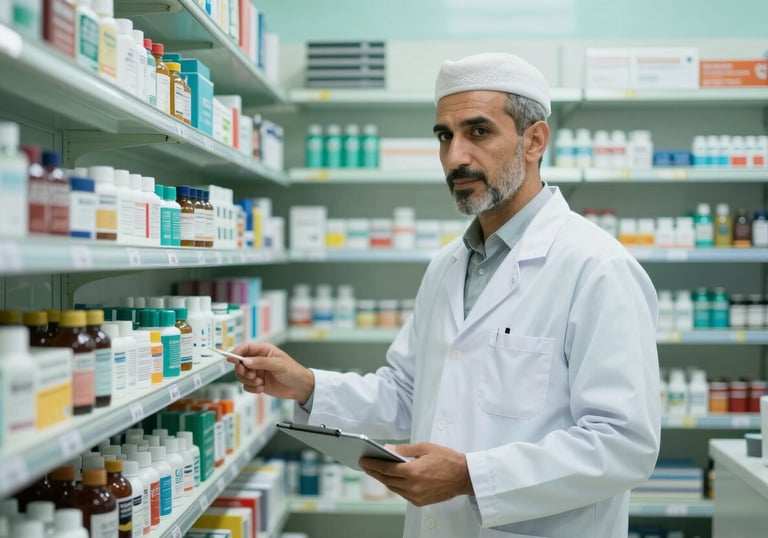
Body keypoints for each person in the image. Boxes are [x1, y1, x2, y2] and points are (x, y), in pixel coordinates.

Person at [233, 52, 661, 537]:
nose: (456, 156)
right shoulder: (447, 266)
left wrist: (470, 477)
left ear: (534, 140)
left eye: (478, 132)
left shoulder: (596, 267)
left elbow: (624, 444)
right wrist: (306, 384)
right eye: (444, 136)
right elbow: (410, 395)